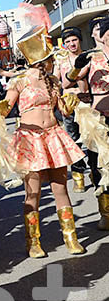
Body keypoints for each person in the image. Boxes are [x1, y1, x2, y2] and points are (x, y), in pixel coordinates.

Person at [0, 9, 86, 257]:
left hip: (53, 136)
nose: (53, 60)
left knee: (60, 189)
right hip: (30, 140)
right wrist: (2, 107)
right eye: (50, 57)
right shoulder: (19, 81)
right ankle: (33, 241)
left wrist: (71, 103)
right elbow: (8, 105)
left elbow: (62, 108)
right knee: (33, 192)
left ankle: (70, 238)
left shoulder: (53, 81)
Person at [65, 15, 109, 229]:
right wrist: (76, 69)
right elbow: (67, 81)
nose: (104, 32)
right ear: (93, 34)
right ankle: (106, 212)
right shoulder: (92, 58)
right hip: (97, 121)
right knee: (98, 166)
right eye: (99, 28)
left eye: (106, 28)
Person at [53, 26, 91, 192]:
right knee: (73, 143)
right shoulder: (60, 60)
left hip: (88, 104)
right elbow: (56, 81)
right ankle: (78, 177)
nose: (71, 44)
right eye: (67, 41)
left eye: (74, 40)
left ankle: (96, 172)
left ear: (79, 40)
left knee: (92, 140)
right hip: (68, 105)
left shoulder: (89, 57)